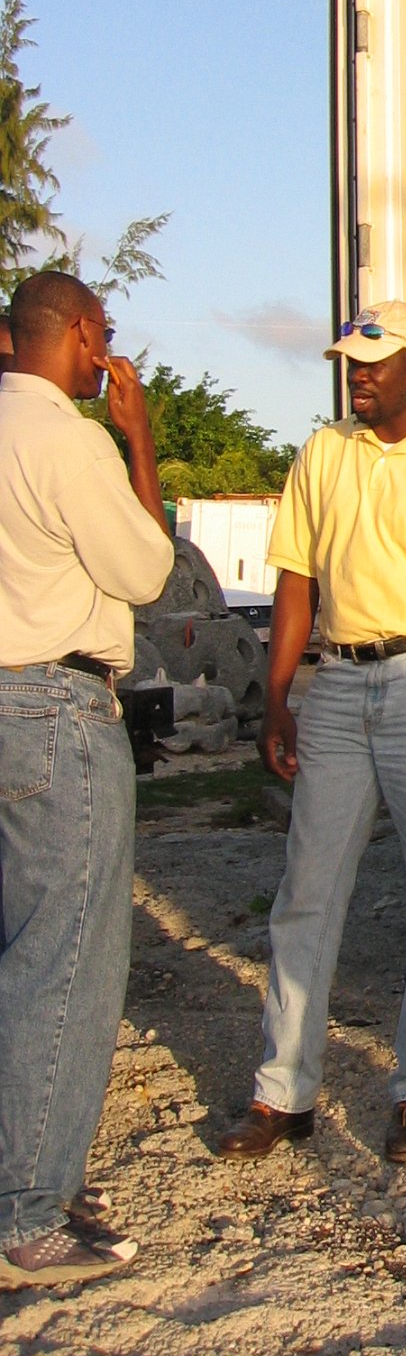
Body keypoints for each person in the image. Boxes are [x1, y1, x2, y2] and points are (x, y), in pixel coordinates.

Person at [218, 301, 406, 1167]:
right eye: (352, 360)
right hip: (341, 687)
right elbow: (294, 584)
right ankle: (282, 1094)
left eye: (375, 360)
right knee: (305, 896)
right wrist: (279, 697)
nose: (359, 373)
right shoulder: (323, 452)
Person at [0, 271, 172, 1288]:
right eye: (102, 333)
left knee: (17, 951)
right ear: (72, 334)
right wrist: (137, 434)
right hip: (55, 711)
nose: (106, 351)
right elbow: (148, 571)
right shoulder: (69, 437)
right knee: (63, 960)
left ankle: (30, 1167)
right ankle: (27, 1209)